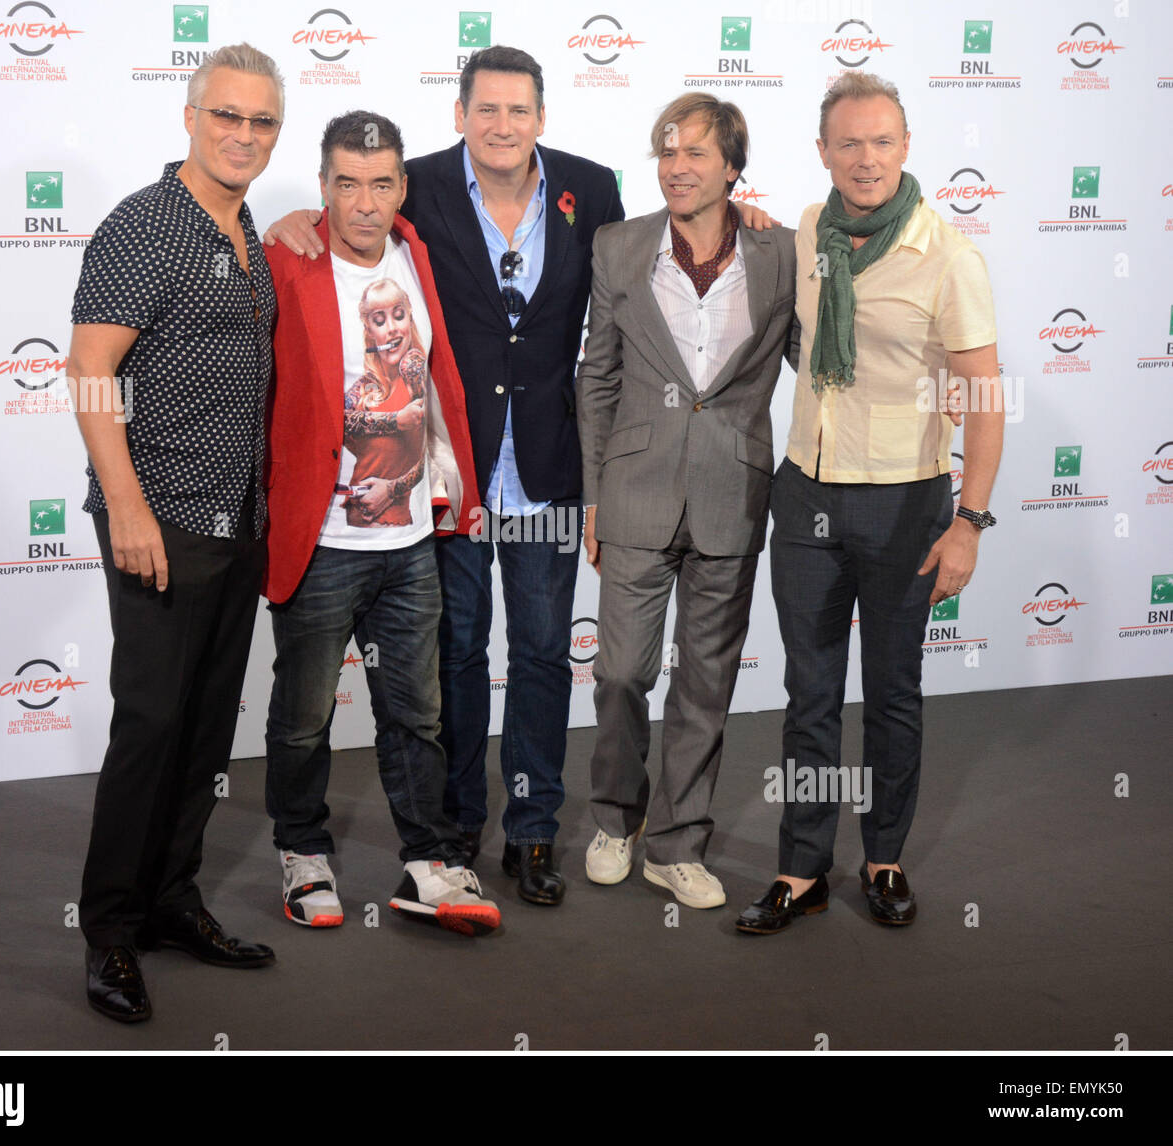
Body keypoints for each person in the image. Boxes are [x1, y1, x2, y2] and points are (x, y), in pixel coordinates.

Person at [265, 46, 624, 907]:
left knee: (540, 654)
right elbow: (341, 221)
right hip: (450, 483)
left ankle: (532, 832)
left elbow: (640, 273)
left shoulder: (593, 189)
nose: (503, 126)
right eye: (486, 109)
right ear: (459, 113)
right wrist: (291, 223)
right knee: (454, 656)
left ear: (542, 115)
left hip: (545, 469)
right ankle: (456, 829)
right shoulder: (412, 185)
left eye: (519, 110)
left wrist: (742, 215)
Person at [735, 72, 1003, 935]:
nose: (865, 158)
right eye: (847, 142)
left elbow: (987, 399)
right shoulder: (813, 228)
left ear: (906, 147)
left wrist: (970, 521)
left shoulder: (948, 255)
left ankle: (883, 857)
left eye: (882, 141)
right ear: (822, 152)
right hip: (806, 494)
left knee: (891, 690)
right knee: (809, 692)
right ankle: (801, 867)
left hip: (904, 506)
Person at [68, 43, 284, 1024]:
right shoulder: (143, 227)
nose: (243, 136)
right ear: (191, 118)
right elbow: (89, 372)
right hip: (158, 523)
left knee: (202, 737)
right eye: (227, 116)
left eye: (261, 122)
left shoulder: (251, 239)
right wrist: (122, 504)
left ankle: (169, 901)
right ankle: (110, 934)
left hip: (236, 521)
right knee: (150, 731)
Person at [262, 110, 500, 937]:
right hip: (323, 540)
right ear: (322, 186)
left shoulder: (414, 252)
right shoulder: (286, 261)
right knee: (303, 715)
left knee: (417, 714)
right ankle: (302, 852)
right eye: (346, 184)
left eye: (381, 183)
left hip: (410, 542)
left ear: (403, 186)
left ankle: (428, 860)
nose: (364, 203)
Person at [577, 93, 800, 910]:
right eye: (666, 152)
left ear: (733, 168)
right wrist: (595, 495)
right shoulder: (620, 246)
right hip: (635, 491)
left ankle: (677, 844)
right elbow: (596, 376)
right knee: (622, 674)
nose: (676, 166)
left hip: (732, 492)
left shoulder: (782, 254)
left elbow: (818, 362)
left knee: (705, 684)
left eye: (696, 153)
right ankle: (615, 819)